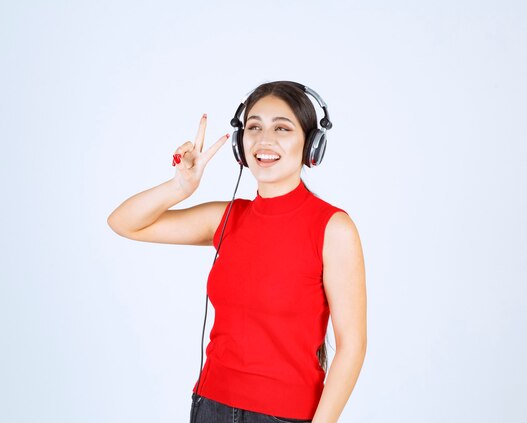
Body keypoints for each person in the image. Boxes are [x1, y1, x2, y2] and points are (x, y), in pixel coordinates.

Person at [107, 81, 366, 423]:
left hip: (285, 415)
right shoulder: (226, 217)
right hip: (209, 405)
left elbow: (352, 347)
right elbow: (124, 222)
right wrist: (179, 187)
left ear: (312, 145)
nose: (264, 139)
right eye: (254, 127)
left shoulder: (333, 228)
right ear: (240, 146)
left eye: (282, 128)